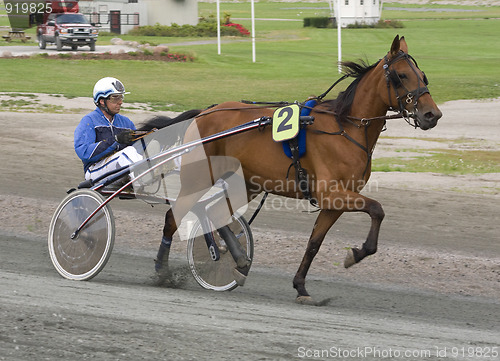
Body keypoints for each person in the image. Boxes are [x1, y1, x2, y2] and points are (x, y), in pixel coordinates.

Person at [74, 77, 142, 181]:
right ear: (102, 101)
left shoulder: (126, 122)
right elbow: (85, 153)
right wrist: (115, 140)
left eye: (121, 97)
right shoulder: (89, 121)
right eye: (115, 98)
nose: (120, 102)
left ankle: (142, 177)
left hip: (119, 169)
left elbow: (138, 148)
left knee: (134, 151)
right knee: (127, 152)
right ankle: (141, 179)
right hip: (94, 170)